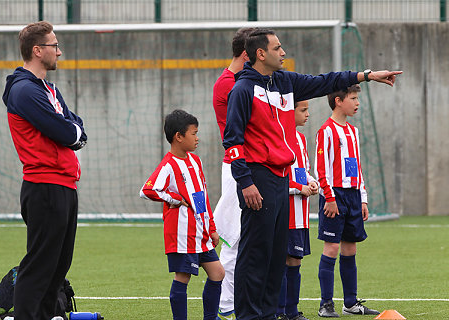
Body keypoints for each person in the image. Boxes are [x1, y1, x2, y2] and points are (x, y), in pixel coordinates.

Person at [222, 27, 401, 320]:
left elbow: (326, 81)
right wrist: (245, 181)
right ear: (260, 54)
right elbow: (232, 140)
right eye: (278, 48)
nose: (284, 52)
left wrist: (367, 75)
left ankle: (267, 314)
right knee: (256, 252)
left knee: (276, 255)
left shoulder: (285, 82)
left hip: (280, 179)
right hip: (258, 178)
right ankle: (248, 316)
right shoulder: (242, 89)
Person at [2, 21, 87, 320]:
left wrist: (73, 131)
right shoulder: (24, 90)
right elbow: (65, 131)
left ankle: (52, 315)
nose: (59, 52)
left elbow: (74, 123)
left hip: (63, 185)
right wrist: (73, 132)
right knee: (40, 266)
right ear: (37, 51)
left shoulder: (48, 88)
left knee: (59, 266)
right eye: (54, 46)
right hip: (44, 186)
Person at [140, 109, 225, 320]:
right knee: (183, 276)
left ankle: (210, 317)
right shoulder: (168, 165)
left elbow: (203, 198)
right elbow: (148, 190)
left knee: (218, 273)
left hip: (202, 232)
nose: (197, 138)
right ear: (179, 136)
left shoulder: (195, 161)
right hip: (182, 235)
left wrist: (212, 228)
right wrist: (174, 198)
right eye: (193, 133)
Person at [315, 84, 379, 318]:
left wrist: (362, 198)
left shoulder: (353, 131)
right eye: (353, 98)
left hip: (353, 196)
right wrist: (329, 198)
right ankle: (325, 304)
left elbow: (357, 166)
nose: (357, 102)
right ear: (338, 101)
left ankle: (350, 303)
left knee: (350, 248)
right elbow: (321, 169)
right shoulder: (326, 131)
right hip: (335, 196)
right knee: (332, 248)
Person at [212, 27, 254, 320]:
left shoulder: (241, 80)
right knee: (233, 236)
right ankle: (226, 302)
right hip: (238, 166)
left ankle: (239, 299)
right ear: (247, 54)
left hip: (251, 166)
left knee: (247, 236)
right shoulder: (229, 83)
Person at [276, 100, 318, 320]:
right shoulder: (278, 138)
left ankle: (292, 310)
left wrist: (312, 182)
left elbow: (304, 170)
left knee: (296, 261)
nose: (307, 114)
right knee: (283, 261)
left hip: (302, 214)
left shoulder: (300, 139)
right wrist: (298, 189)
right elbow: (276, 181)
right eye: (303, 110)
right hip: (286, 213)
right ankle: (281, 311)